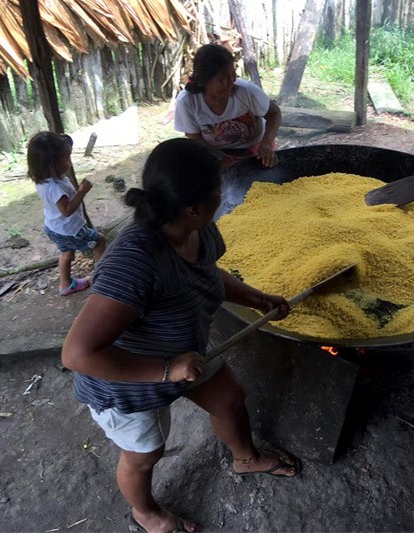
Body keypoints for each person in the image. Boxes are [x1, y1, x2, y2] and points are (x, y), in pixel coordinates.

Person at [61, 138, 300, 533]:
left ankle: (244, 458)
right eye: (219, 192)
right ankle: (147, 514)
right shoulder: (134, 263)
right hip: (126, 381)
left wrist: (258, 299)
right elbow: (78, 354)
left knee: (229, 398)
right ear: (193, 207)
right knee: (144, 454)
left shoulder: (197, 230)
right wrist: (167, 368)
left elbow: (209, 274)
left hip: (183, 352)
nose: (223, 198)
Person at [174, 43, 282, 168]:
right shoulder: (187, 101)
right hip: (213, 151)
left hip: (256, 149)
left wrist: (267, 142)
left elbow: (274, 113)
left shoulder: (247, 91)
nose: (231, 82)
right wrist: (218, 155)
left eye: (233, 75)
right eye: (223, 78)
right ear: (205, 79)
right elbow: (194, 137)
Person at [27, 131, 106, 296]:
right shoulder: (55, 187)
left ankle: (65, 284)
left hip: (53, 227)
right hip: (71, 229)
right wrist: (82, 192)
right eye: (66, 158)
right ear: (51, 164)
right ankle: (104, 279)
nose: (70, 162)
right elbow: (67, 211)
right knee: (99, 240)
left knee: (66, 252)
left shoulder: (43, 181)